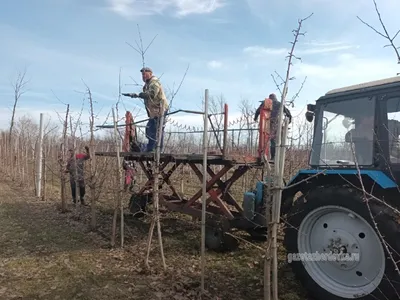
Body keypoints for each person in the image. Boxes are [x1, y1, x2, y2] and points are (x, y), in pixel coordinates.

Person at [122, 67, 169, 152]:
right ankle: (150, 148)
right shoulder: (147, 85)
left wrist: (138, 95)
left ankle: (156, 150)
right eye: (142, 75)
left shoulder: (154, 82)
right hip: (153, 112)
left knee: (157, 130)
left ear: (150, 74)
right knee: (150, 129)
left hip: (159, 110)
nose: (143, 76)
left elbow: (152, 94)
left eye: (145, 74)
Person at [254, 93, 292, 160]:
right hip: (276, 124)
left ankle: (263, 156)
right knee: (274, 141)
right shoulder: (279, 104)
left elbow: (258, 111)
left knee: (264, 140)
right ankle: (274, 157)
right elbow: (287, 112)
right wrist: (289, 120)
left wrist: (255, 118)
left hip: (266, 123)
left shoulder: (266, 103)